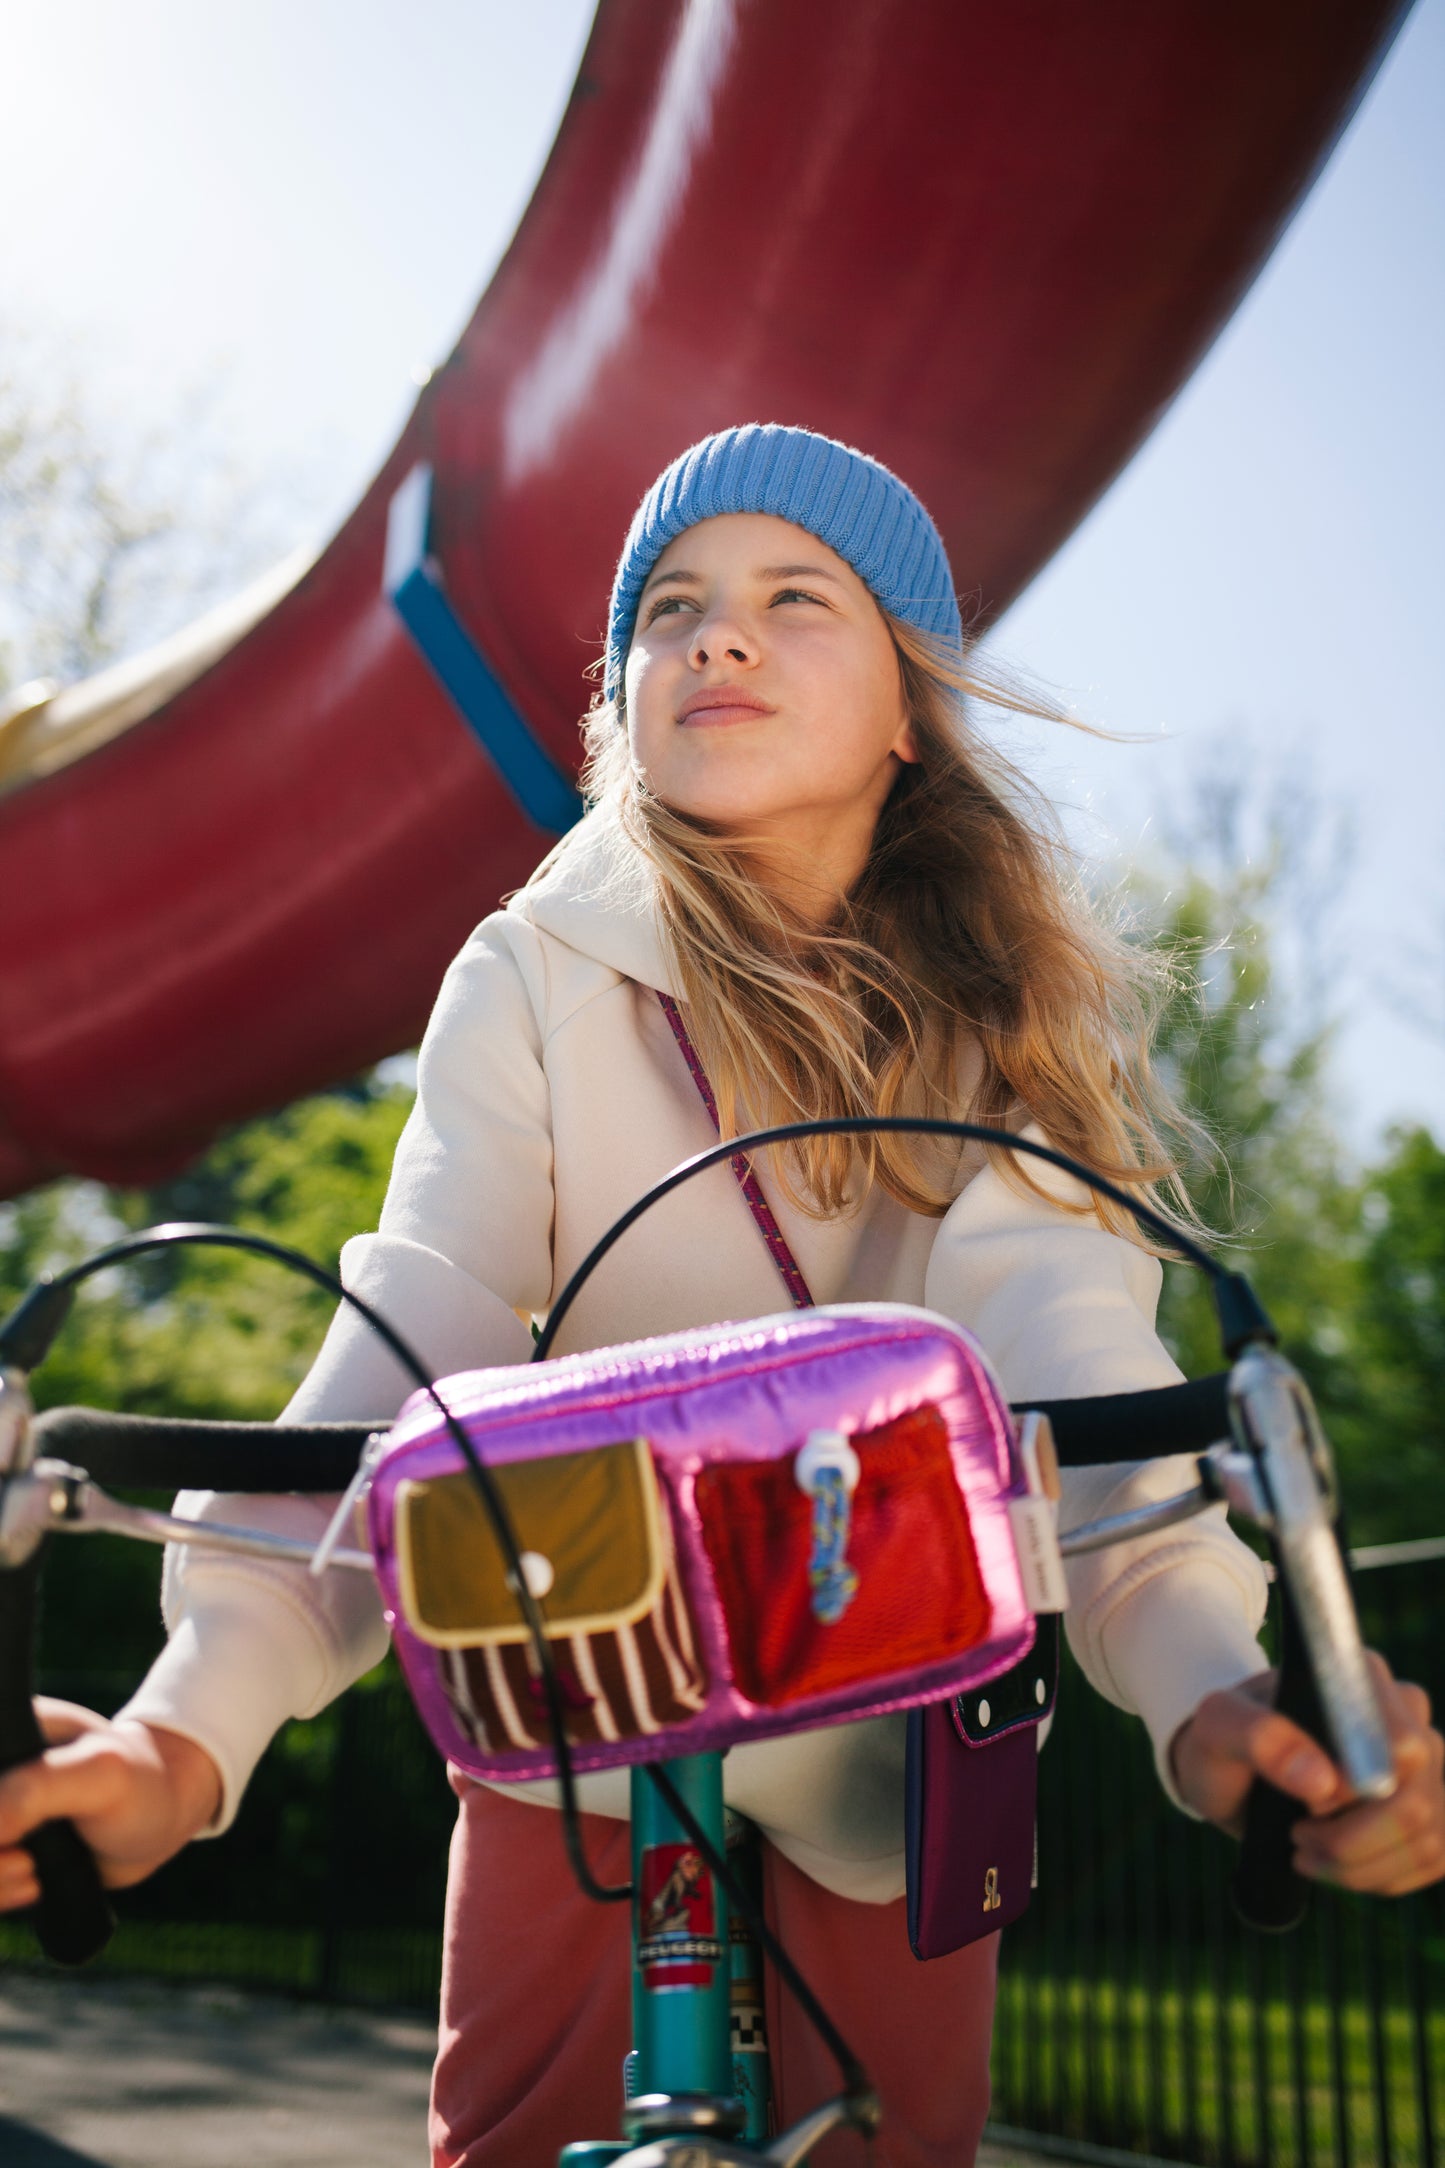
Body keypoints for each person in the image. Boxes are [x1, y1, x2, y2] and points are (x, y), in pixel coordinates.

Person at [1, 425, 1441, 2166]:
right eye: (668, 608)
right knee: (518, 2137)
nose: (718, 635)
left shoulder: (1003, 1015)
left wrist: (1225, 1708)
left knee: (893, 2140)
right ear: (622, 705)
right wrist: (180, 1741)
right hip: (576, 1691)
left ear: (912, 708)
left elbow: (1078, 1370)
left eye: (792, 599)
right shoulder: (531, 969)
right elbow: (406, 1351)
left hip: (900, 1724)